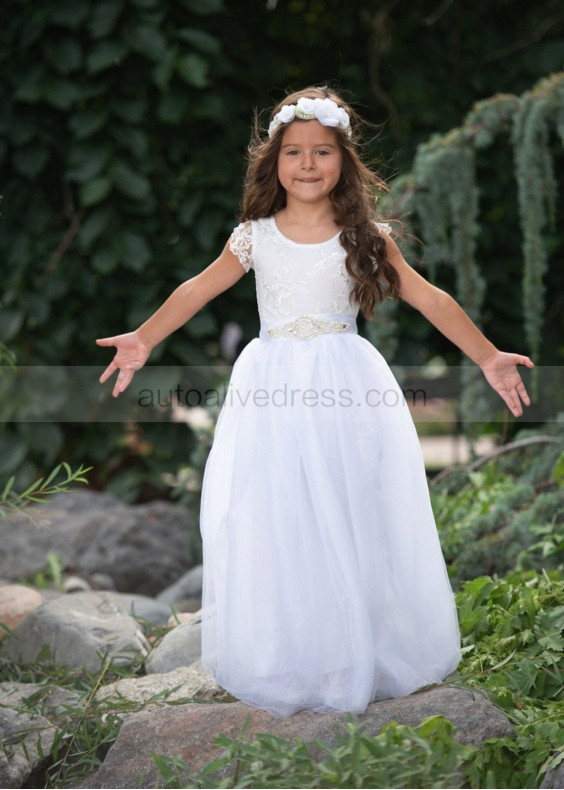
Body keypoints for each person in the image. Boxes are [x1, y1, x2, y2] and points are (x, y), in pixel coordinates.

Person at [96, 86, 534, 718]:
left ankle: (359, 646)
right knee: (282, 511)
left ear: (344, 161)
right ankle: (296, 650)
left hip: (346, 387)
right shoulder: (254, 237)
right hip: (272, 389)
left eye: (322, 151)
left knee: (349, 506)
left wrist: (488, 355)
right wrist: (143, 337)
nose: (307, 164)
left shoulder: (367, 237)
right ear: (274, 161)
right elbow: (196, 289)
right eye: (294, 152)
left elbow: (430, 297)